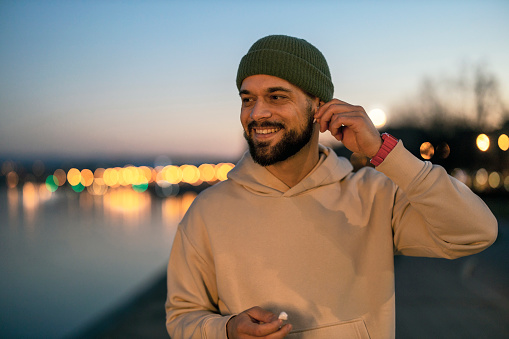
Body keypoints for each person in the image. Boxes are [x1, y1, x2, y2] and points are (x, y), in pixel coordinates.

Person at [165, 35, 498, 338]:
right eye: (247, 99)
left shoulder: (374, 195)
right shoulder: (207, 211)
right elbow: (181, 317)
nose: (257, 113)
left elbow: (476, 231)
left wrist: (383, 152)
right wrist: (225, 330)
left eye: (276, 97)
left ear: (318, 107)